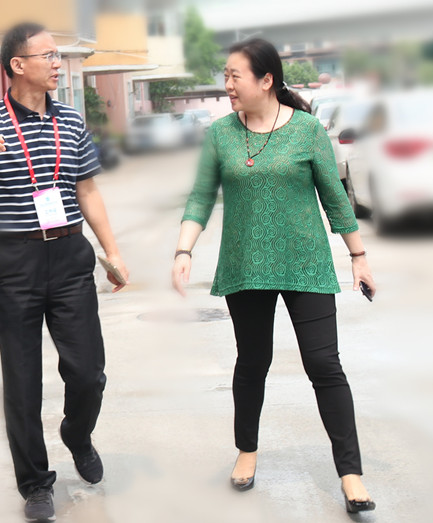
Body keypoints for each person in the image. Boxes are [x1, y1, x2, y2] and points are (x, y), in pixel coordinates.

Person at [171, 38, 376, 514]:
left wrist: (359, 256)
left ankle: (351, 474)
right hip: (245, 264)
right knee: (252, 361)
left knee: (324, 365)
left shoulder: (307, 130)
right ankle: (247, 450)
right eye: (225, 76)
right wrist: (183, 249)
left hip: (306, 262)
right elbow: (200, 196)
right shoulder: (221, 134)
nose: (227, 85)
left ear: (266, 80)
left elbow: (335, 198)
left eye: (234, 76)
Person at [0, 23, 129, 523]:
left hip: (69, 256)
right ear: (17, 65)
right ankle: (35, 483)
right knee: (23, 381)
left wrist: (112, 252)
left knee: (88, 372)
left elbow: (87, 189)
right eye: (47, 55)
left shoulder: (70, 120)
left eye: (57, 55)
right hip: (16, 263)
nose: (56, 63)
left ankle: (77, 434)